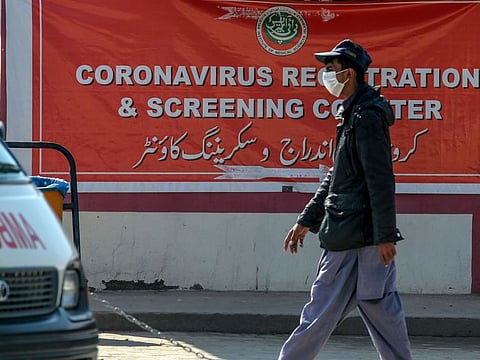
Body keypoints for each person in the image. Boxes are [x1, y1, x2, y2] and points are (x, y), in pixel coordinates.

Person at [277, 39, 412, 360]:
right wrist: (306, 220)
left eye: (330, 69)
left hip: (353, 234)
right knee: (381, 306)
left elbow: (379, 179)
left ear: (349, 74)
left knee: (325, 306)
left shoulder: (365, 117)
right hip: (355, 230)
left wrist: (384, 236)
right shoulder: (353, 114)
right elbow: (339, 175)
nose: (325, 75)